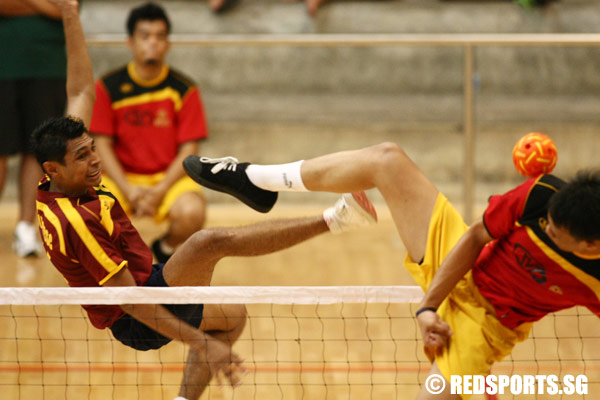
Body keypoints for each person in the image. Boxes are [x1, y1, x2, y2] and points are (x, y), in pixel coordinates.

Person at [32, 3, 377, 399]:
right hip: (135, 313)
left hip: (147, 280)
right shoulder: (77, 220)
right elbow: (130, 302)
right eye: (83, 157)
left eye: (92, 149)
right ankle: (336, 218)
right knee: (207, 243)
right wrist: (200, 343)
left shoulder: (54, 176)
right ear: (53, 168)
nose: (94, 161)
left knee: (231, 317)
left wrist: (69, 13)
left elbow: (78, 88)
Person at [182, 144, 600, 399]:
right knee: (388, 159)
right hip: (458, 260)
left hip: (483, 326)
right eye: (545, 223)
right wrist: (426, 308)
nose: (544, 229)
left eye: (553, 233)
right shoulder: (542, 196)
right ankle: (256, 179)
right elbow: (474, 237)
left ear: (590, 246)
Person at [90, 2, 208, 263]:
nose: (152, 43)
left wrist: (161, 190)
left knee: (193, 213)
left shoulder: (184, 90)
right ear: (130, 42)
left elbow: (189, 150)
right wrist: (127, 189)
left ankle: (164, 250)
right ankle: (115, 264)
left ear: (168, 43)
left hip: (168, 179)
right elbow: (101, 144)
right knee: (90, 213)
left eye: (159, 36)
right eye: (145, 36)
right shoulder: (108, 87)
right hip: (121, 178)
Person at [0, 0, 66, 257]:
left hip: (47, 64)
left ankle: (25, 227)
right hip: (3, 64)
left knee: (37, 150)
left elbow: (66, 6)